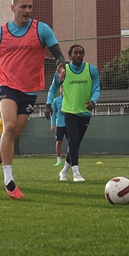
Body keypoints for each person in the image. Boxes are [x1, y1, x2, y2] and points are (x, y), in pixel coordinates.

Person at [0, 0, 65, 200]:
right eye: (23, 7)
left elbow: (57, 53)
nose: (28, 10)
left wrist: (60, 65)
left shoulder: (41, 29)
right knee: (8, 127)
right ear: (13, 8)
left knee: (8, 141)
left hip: (29, 91)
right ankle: (9, 181)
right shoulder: (0, 33)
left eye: (30, 7)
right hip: (7, 87)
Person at [48, 44, 100, 183]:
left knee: (75, 145)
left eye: (80, 53)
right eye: (75, 53)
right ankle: (76, 174)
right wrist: (48, 104)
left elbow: (96, 89)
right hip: (69, 112)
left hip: (85, 113)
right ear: (70, 56)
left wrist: (93, 101)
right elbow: (53, 89)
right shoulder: (63, 71)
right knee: (73, 140)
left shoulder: (91, 70)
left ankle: (64, 171)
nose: (78, 55)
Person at [48, 86, 65, 168]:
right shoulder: (56, 101)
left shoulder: (71, 100)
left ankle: (70, 160)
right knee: (59, 142)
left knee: (71, 142)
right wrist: (52, 124)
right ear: (60, 90)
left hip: (69, 124)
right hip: (60, 125)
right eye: (62, 88)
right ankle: (58, 161)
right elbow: (53, 114)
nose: (63, 90)